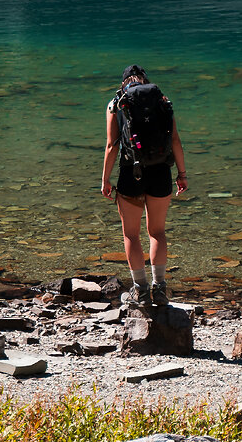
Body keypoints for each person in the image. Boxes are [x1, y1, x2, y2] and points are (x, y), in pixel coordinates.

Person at [101, 64, 188, 306]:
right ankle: (160, 289)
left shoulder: (115, 104)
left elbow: (112, 145)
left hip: (131, 173)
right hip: (161, 171)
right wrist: (182, 173)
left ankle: (140, 290)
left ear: (124, 82)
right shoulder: (163, 100)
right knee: (157, 232)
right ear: (146, 81)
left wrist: (105, 179)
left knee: (131, 234)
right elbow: (174, 139)